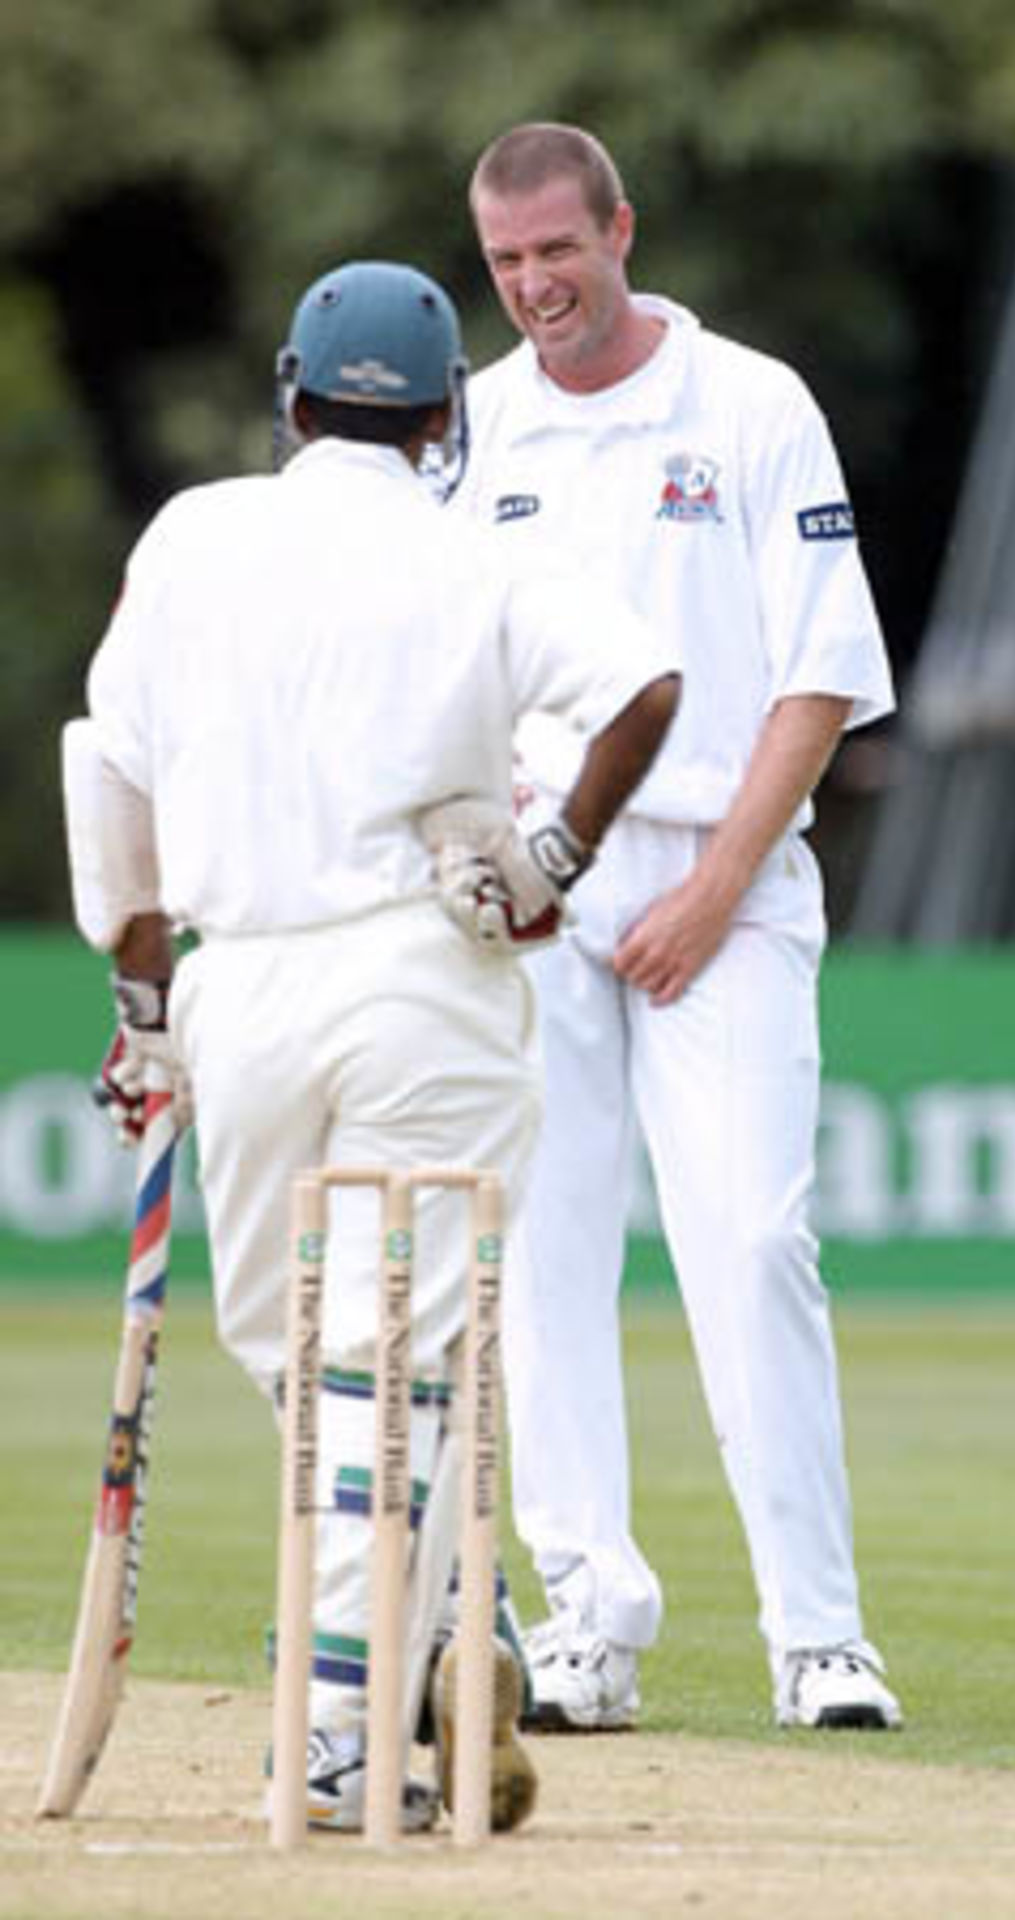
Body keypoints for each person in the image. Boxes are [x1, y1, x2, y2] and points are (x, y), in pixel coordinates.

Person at [63, 256, 681, 1832]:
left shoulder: (192, 537)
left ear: (290, 394)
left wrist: (140, 1003)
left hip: (239, 988)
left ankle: (353, 1699)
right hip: (422, 987)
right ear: (447, 417)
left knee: (319, 1368)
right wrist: (555, 861)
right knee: (370, 1386)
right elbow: (644, 686)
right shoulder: (469, 553)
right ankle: (399, 1663)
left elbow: (106, 772)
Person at [456, 123, 903, 1733]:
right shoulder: (480, 428)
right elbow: (450, 684)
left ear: (619, 230)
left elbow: (822, 673)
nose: (533, 288)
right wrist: (510, 869)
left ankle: (820, 1637)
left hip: (732, 872)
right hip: (547, 893)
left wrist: (715, 883)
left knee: (753, 1240)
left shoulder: (752, 402)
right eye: (506, 263)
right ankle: (589, 1618)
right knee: (544, 1260)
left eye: (557, 253)